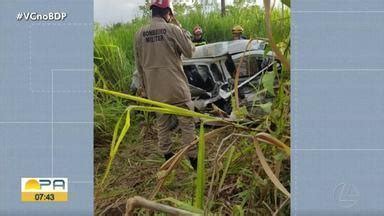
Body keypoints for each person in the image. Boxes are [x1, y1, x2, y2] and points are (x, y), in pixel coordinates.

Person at [134, 0, 197, 170]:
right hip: (176, 88)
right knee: (187, 123)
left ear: (152, 12)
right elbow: (190, 52)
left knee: (162, 125)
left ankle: (168, 160)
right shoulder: (173, 29)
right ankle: (194, 161)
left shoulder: (139, 33)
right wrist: (180, 28)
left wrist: (145, 89)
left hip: (155, 91)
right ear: (168, 12)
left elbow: (139, 66)